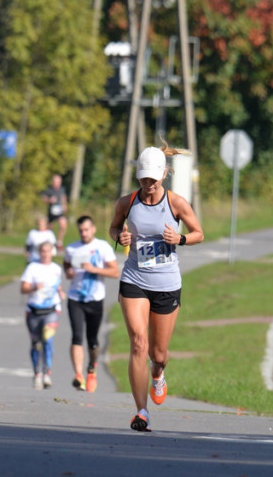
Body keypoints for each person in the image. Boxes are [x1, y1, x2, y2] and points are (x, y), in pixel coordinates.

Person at [108, 145, 203, 432]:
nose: (148, 185)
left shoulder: (176, 203)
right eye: (143, 180)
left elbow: (199, 233)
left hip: (166, 284)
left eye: (153, 180)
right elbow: (113, 228)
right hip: (134, 279)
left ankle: (158, 373)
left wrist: (180, 239)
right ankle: (141, 411)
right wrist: (120, 236)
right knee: (139, 342)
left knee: (158, 354)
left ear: (164, 174)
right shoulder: (127, 202)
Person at [63, 215, 119, 393]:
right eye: (81, 230)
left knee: (92, 341)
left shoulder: (102, 247)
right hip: (75, 297)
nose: (84, 233)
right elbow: (66, 265)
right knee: (77, 336)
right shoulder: (72, 248)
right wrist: (69, 272)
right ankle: (78, 375)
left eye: (87, 230)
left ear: (93, 229)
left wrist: (94, 269)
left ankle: (92, 368)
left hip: (95, 298)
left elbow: (115, 272)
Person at [19, 241, 65, 390]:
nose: (45, 254)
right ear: (39, 252)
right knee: (36, 343)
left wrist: (60, 292)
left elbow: (57, 285)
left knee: (48, 340)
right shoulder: (32, 267)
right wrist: (33, 287)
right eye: (43, 251)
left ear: (52, 252)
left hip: (51, 311)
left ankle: (47, 373)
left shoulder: (56, 269)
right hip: (33, 311)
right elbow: (23, 288)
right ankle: (37, 374)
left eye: (48, 251)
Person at [40, 174, 68, 248]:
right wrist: (49, 200)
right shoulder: (49, 190)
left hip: (59, 211)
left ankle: (59, 242)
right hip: (51, 212)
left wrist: (64, 205)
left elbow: (63, 196)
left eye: (58, 182)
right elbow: (43, 198)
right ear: (52, 182)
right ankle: (50, 242)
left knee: (63, 224)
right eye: (55, 182)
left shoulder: (62, 189)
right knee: (49, 228)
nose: (57, 183)